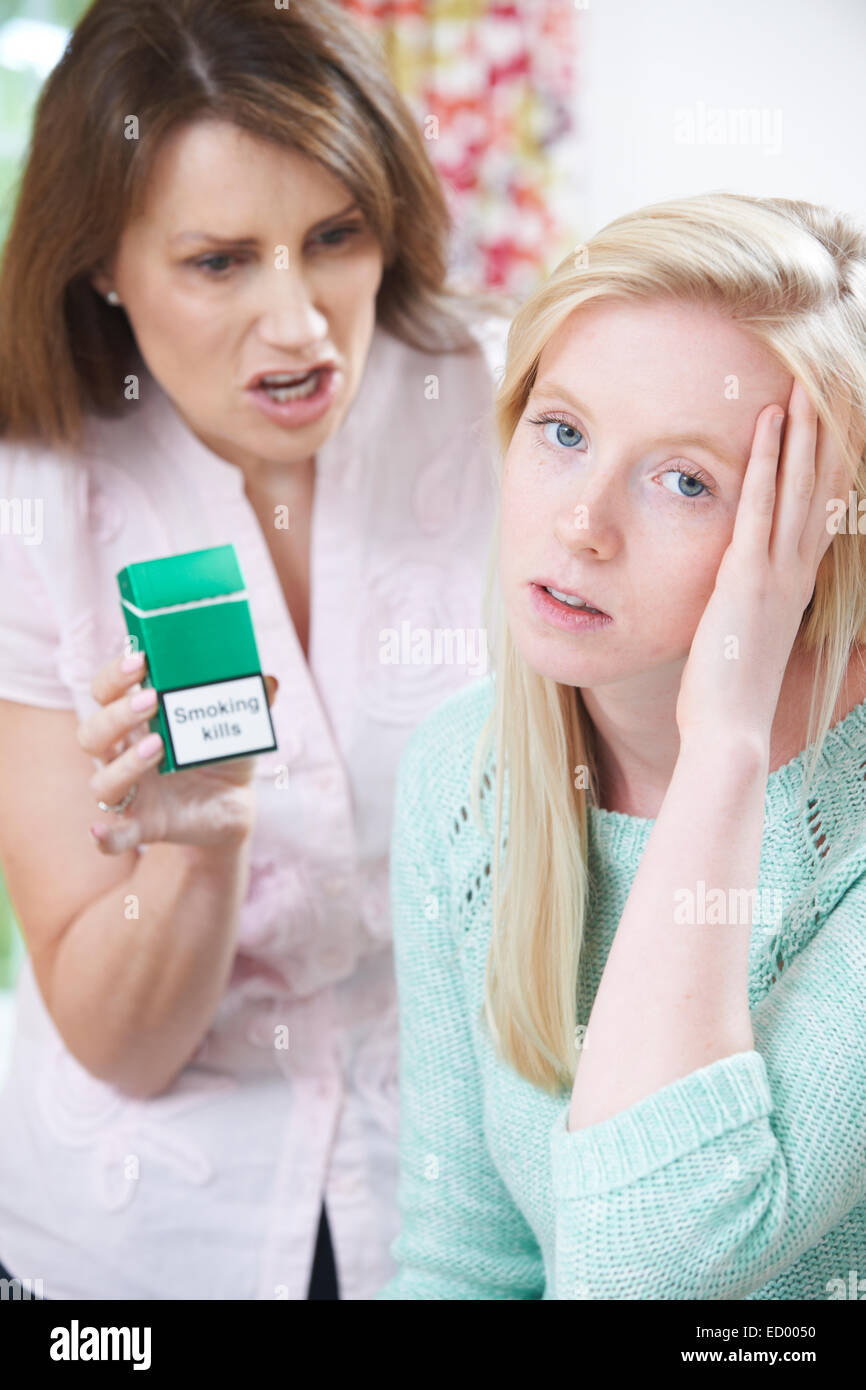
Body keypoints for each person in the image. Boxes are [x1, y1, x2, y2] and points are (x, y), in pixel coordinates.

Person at [0, 0, 510, 1301]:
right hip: (144, 1233)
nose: (298, 323)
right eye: (220, 262)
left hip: (467, 1204)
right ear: (101, 263)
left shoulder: (511, 409)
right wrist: (195, 849)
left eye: (333, 236)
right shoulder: (35, 504)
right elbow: (119, 1045)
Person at [377, 192, 866, 1300]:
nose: (581, 523)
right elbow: (462, 1264)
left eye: (684, 480)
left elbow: (645, 1270)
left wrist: (723, 746)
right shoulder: (460, 775)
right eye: (562, 432)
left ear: (809, 538)